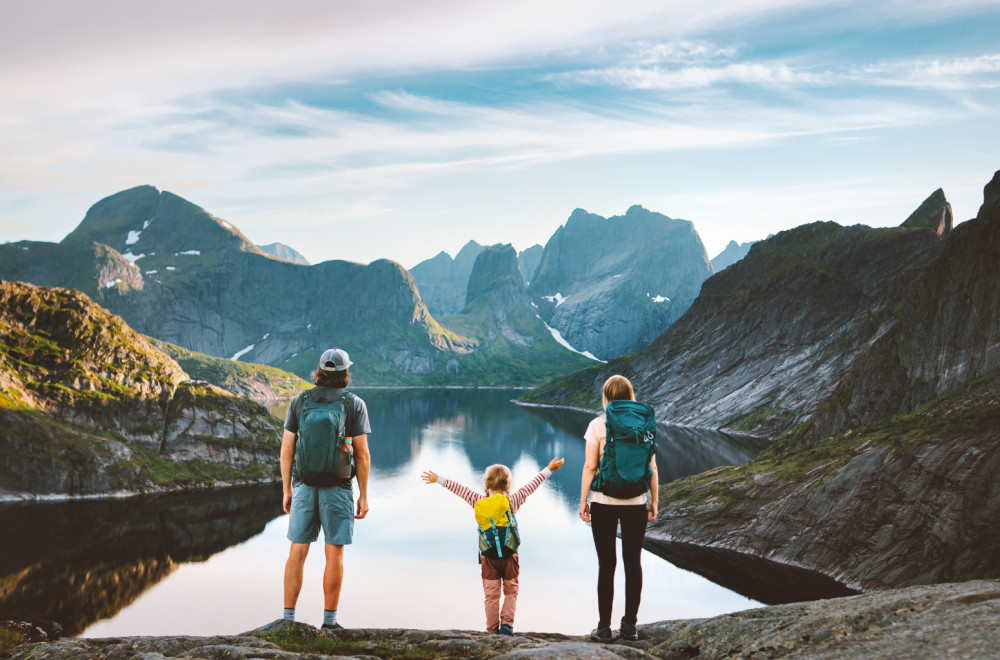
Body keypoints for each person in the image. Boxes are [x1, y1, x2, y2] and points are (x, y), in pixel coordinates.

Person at [280, 348, 371, 631]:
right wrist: (363, 495)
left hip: (304, 486)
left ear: (319, 370)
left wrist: (287, 488)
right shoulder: (353, 403)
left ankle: (287, 621)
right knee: (334, 554)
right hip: (338, 488)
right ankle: (329, 623)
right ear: (345, 372)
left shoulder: (300, 401)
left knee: (297, 550)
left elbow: (286, 449)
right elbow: (362, 454)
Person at [421, 458, 564, 635]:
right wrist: (549, 469)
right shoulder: (513, 501)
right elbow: (531, 486)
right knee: (511, 591)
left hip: (488, 558)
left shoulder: (478, 501)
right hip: (510, 556)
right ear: (507, 485)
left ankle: (491, 631)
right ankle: (507, 626)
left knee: (491, 596)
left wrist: (439, 479)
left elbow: (460, 489)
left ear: (486, 485)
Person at [579, 375, 658, 642]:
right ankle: (630, 627)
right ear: (631, 395)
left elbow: (590, 467)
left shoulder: (597, 425)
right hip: (636, 502)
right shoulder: (643, 425)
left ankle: (603, 628)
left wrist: (583, 501)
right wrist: (654, 500)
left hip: (603, 501)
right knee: (633, 563)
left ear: (606, 397)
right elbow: (652, 468)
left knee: (607, 565)